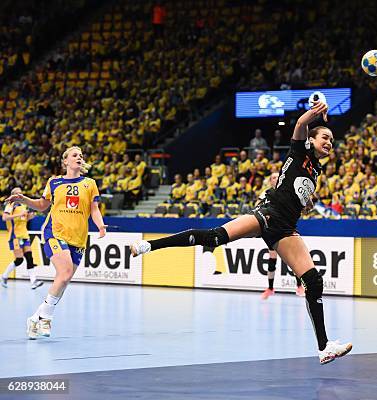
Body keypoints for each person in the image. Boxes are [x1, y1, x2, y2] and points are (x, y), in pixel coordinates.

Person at [130, 102, 352, 364]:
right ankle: (150, 246)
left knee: (313, 281)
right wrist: (315, 114)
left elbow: (298, 188)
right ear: (311, 140)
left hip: (286, 228)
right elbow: (301, 125)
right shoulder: (298, 149)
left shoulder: (316, 168)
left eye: (332, 139)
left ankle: (324, 347)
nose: (330, 142)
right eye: (325, 137)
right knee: (214, 237)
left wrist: (307, 200)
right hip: (268, 214)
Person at [6, 146, 107, 339]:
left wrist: (100, 226)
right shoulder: (54, 182)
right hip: (55, 232)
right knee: (66, 272)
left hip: (78, 238)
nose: (79, 157)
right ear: (66, 161)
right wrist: (24, 199)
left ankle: (35, 317)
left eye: (81, 155)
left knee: (64, 280)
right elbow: (42, 205)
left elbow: (94, 209)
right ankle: (47, 318)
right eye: (75, 155)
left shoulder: (90, 183)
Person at [257, 172, 305, 299]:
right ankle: (270, 288)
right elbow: (257, 206)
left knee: (292, 259)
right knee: (272, 258)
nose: (276, 179)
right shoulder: (265, 193)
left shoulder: (286, 191)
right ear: (270, 181)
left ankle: (299, 286)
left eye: (278, 177)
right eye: (273, 177)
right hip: (271, 229)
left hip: (285, 228)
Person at [2, 187, 43, 289]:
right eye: (18, 194)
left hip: (24, 235)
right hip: (15, 236)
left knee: (29, 257)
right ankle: (4, 276)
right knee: (19, 260)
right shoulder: (10, 205)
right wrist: (19, 214)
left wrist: (30, 216)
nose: (20, 195)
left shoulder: (24, 205)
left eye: (21, 193)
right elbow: (4, 218)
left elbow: (24, 219)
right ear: (13, 195)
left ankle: (33, 282)